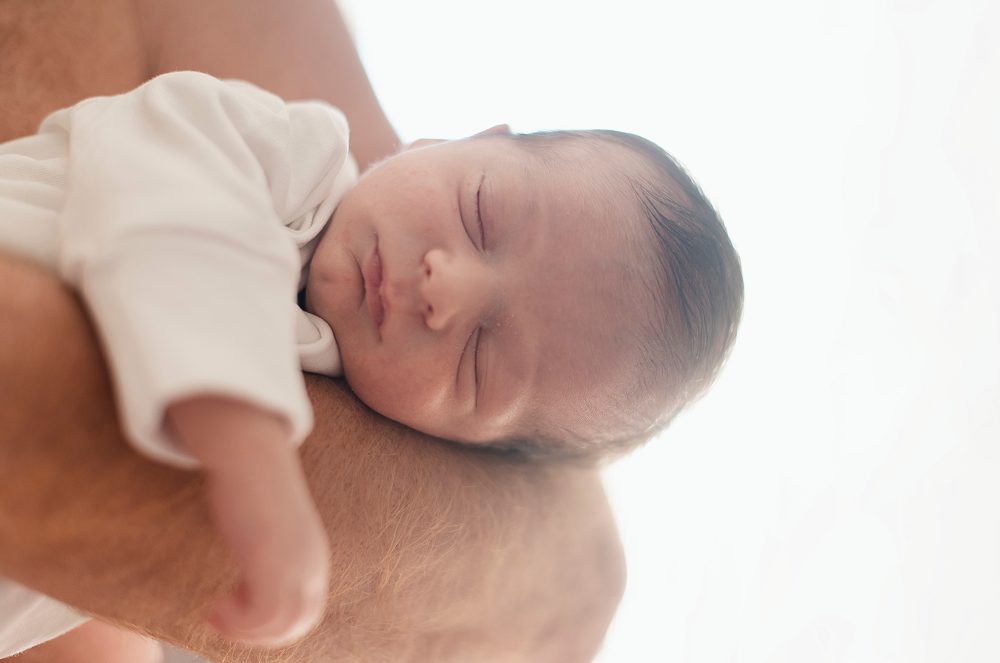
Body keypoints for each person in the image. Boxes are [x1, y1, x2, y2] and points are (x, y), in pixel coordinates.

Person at [0, 65, 743, 655]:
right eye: (480, 211)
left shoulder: (341, 400)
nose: (444, 287)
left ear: (454, 446)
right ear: (446, 143)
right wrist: (250, 457)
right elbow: (161, 196)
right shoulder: (290, 154)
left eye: (481, 359)